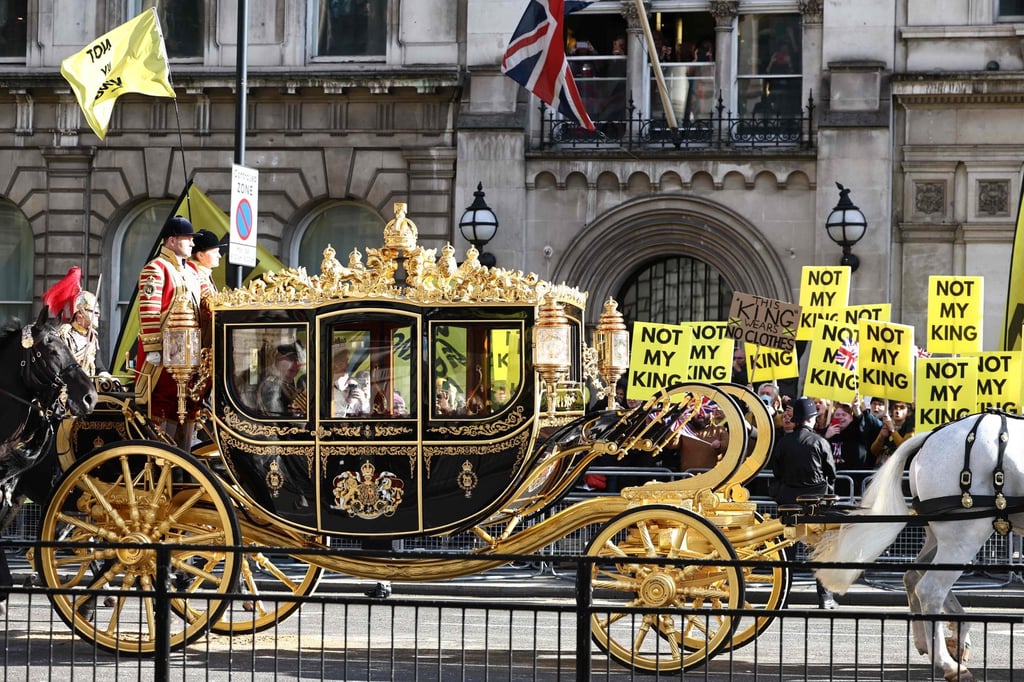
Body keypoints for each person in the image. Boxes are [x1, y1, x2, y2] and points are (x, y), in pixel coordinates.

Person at [136, 216, 204, 448]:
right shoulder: (155, 269)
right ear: (173, 241)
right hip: (166, 350)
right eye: (188, 239)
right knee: (164, 404)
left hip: (190, 347)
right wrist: (154, 348)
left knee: (188, 403)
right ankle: (162, 456)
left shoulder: (192, 271)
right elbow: (149, 311)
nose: (193, 244)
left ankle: (184, 458)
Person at [770, 396, 837, 609]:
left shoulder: (783, 443)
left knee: (786, 552)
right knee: (822, 551)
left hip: (789, 502)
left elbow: (777, 472)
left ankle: (782, 597)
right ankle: (825, 597)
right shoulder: (819, 442)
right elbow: (831, 473)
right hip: (816, 504)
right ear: (811, 419)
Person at [42, 267, 104, 376]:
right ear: (80, 314)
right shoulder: (65, 334)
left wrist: (106, 376)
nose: (97, 314)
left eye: (97, 311)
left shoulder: (92, 337)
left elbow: (98, 365)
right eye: (92, 311)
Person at [258, 343, 306, 418]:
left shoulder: (289, 384)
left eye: (297, 360)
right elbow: (276, 418)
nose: (295, 364)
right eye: (290, 359)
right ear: (277, 360)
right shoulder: (271, 386)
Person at [870, 401, 915, 467]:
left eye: (902, 407)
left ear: (908, 412)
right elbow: (873, 451)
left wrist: (892, 429)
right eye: (895, 407)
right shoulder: (886, 424)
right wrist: (881, 437)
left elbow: (904, 447)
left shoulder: (910, 427)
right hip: (881, 468)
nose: (897, 410)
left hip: (898, 468)